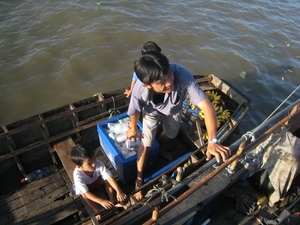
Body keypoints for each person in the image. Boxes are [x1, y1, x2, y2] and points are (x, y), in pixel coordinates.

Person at [126, 51, 230, 200]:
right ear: (147, 85)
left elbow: (207, 107)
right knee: (146, 142)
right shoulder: (139, 89)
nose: (169, 82)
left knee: (171, 134)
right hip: (151, 111)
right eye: (161, 82)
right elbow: (135, 110)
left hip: (174, 108)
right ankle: (139, 179)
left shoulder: (182, 74)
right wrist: (133, 128)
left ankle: (159, 147)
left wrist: (213, 140)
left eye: (168, 74)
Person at [70, 144, 127, 220]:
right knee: (83, 194)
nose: (94, 164)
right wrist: (101, 201)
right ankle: (96, 209)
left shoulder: (99, 164)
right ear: (79, 166)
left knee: (107, 180)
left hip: (97, 181)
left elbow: (109, 178)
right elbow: (86, 193)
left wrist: (119, 191)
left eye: (94, 159)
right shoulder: (77, 175)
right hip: (87, 188)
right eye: (89, 163)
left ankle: (112, 199)